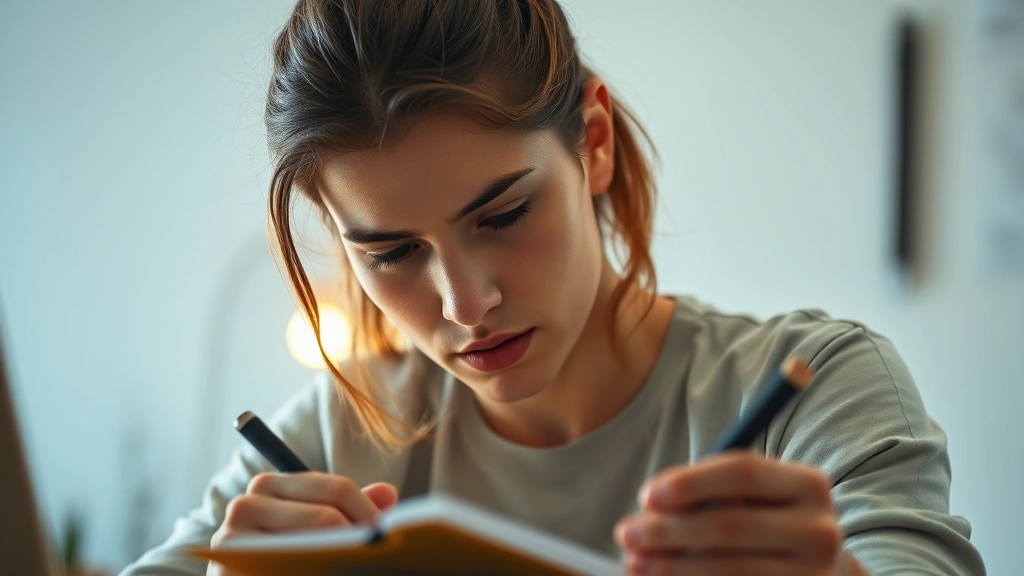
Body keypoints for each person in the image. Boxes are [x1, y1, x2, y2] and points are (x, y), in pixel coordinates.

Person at [121, 1, 986, 574]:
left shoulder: (818, 385)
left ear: (595, 142)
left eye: (502, 216)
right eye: (391, 254)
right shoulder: (341, 434)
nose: (464, 305)